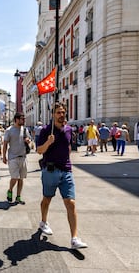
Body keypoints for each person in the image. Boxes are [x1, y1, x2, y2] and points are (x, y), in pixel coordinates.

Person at [36, 102, 88, 249]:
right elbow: (39, 150)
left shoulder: (69, 130)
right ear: (53, 115)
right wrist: (48, 142)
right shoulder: (46, 130)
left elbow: (69, 146)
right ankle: (43, 222)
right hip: (50, 170)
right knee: (47, 199)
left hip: (66, 170)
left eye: (63, 112)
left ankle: (74, 239)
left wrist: (66, 159)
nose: (61, 114)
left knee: (70, 203)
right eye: (58, 112)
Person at [2, 112, 31, 205]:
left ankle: (18, 196)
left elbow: (29, 140)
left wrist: (28, 141)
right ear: (16, 119)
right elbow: (5, 143)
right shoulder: (9, 130)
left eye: (24, 119)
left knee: (21, 178)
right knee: (14, 177)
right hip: (13, 157)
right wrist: (4, 156)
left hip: (23, 157)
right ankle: (10, 190)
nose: (24, 120)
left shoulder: (25, 129)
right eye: (22, 119)